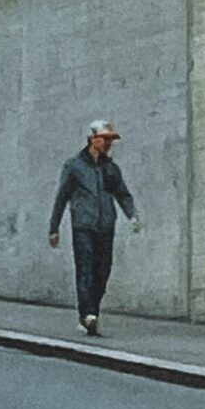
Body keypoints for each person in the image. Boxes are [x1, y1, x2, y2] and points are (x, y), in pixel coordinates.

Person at [47, 119, 139, 334]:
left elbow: (122, 194)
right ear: (92, 139)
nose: (108, 144)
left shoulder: (110, 168)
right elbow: (62, 197)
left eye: (110, 140)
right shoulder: (74, 166)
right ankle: (87, 314)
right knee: (86, 269)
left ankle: (92, 312)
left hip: (106, 225)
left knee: (103, 271)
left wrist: (132, 215)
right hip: (84, 225)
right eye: (104, 139)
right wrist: (54, 228)